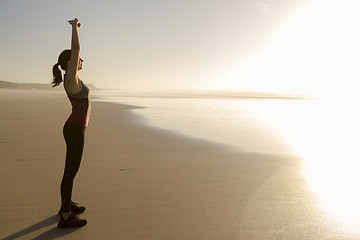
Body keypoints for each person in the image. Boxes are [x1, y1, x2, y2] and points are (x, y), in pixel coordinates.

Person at [52, 18, 89, 228]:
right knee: (71, 171)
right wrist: (74, 27)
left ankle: (66, 205)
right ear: (70, 63)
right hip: (75, 130)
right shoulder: (71, 78)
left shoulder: (71, 79)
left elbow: (75, 52)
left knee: (71, 170)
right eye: (77, 59)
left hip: (74, 128)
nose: (81, 60)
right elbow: (76, 48)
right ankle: (65, 216)